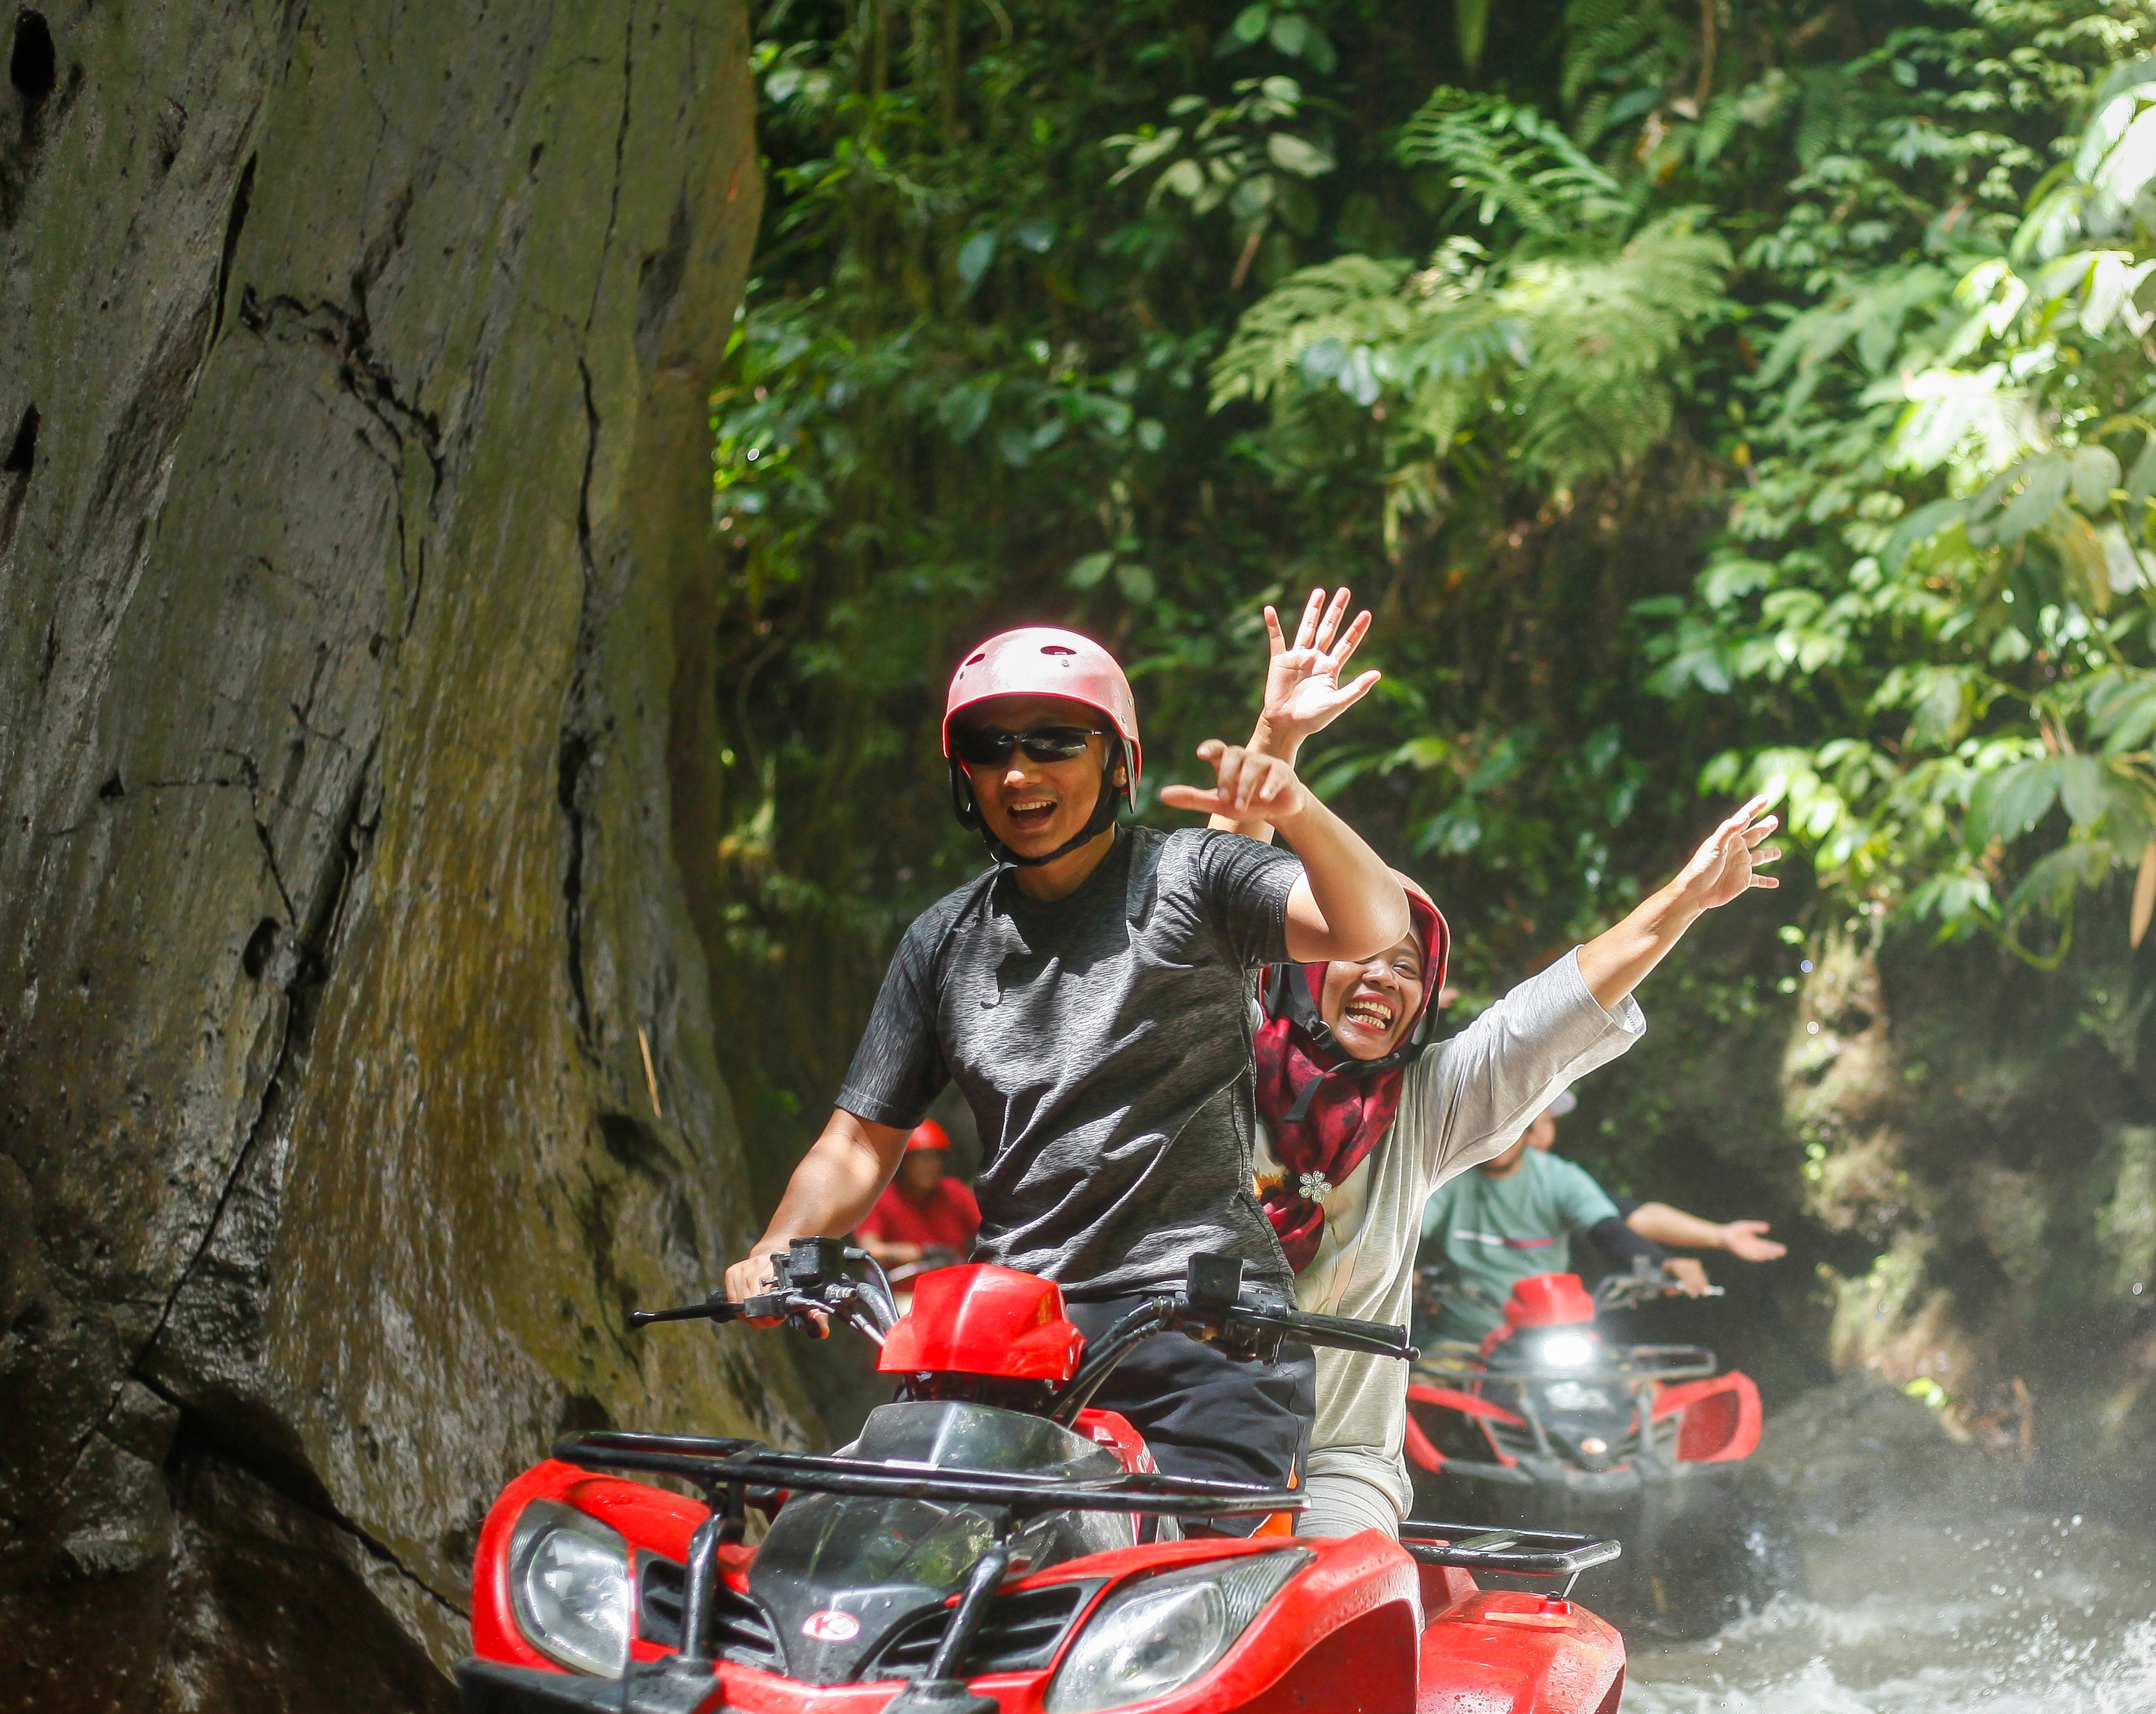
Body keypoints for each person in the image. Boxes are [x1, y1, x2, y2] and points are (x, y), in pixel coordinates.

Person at [724, 623, 1409, 1491]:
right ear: (963, 774)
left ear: (1118, 762)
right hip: (1011, 1331)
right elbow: (860, 1142)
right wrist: (781, 1249)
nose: (1019, 772)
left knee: (1190, 1593)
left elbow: (1373, 925)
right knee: (883, 1544)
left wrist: (1296, 806)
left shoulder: (1193, 876)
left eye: (1054, 741)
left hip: (1206, 1328)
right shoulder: (944, 940)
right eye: (988, 747)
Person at [1208, 587, 1784, 1537]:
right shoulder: (1220, 1062)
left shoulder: (1427, 1104)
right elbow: (1208, 924)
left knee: (1341, 1588)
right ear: (1308, 956)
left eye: (1408, 968)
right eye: (1361, 951)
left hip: (1336, 1462)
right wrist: (1275, 738)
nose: (1381, 980)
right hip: (1188, 1431)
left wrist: (1686, 898)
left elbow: (1554, 1013)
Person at [1415, 1097, 1790, 1351]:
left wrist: (1666, 1264)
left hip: (1548, 1337)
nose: (1501, 1138)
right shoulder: (1449, 1177)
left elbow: (1615, 1228)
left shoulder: (1560, 1179)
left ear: (1532, 1129)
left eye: (1519, 1124)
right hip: (1466, 1341)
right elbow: (1411, 1231)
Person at [854, 1119, 979, 1273]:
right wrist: (918, 1253)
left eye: (935, 1157)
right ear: (903, 1162)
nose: (929, 1165)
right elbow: (868, 1249)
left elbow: (987, 1229)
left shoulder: (955, 1192)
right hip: (904, 1292)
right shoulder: (883, 1198)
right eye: (920, 1157)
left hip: (955, 1286)